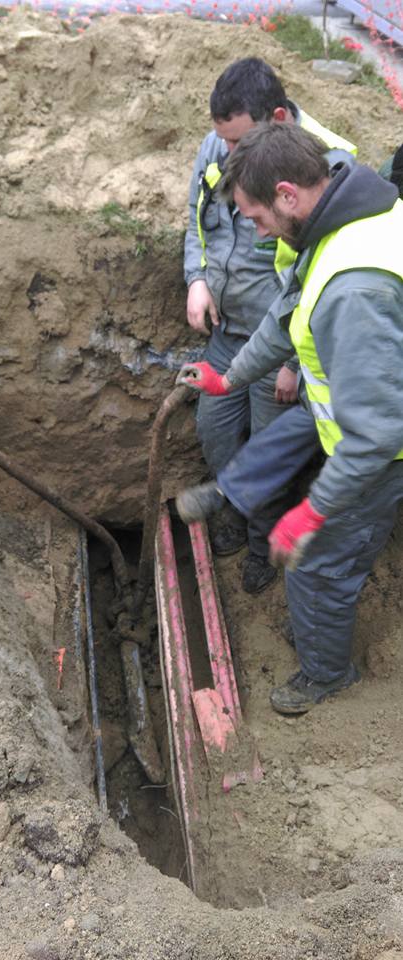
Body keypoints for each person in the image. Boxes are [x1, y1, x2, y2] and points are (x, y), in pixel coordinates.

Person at [177, 122, 403, 715]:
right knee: (294, 439)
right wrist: (229, 379)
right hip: (362, 405)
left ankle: (328, 674)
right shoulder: (340, 212)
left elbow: (377, 436)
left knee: (316, 568)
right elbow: (287, 315)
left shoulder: (356, 290)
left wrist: (311, 512)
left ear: (287, 194)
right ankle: (241, 498)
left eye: (256, 218)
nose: (256, 232)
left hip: (385, 445)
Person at [184, 56, 356, 595]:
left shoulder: (327, 168)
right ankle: (231, 513)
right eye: (224, 141)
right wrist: (197, 278)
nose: (227, 153)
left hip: (283, 346)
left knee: (269, 450)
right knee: (216, 434)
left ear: (276, 120)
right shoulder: (219, 146)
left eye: (238, 141)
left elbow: (311, 285)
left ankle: (262, 548)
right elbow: (196, 219)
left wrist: (294, 364)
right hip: (231, 334)